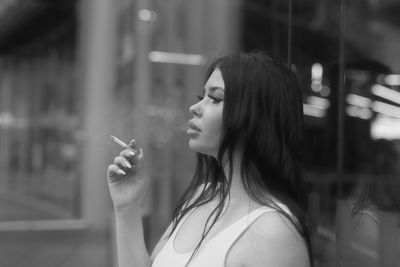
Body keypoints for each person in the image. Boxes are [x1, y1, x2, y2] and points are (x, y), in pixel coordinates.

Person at [107, 51, 313, 267]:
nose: (194, 108)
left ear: (254, 116)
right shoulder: (201, 196)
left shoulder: (275, 232)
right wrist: (127, 208)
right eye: (202, 97)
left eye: (215, 98)